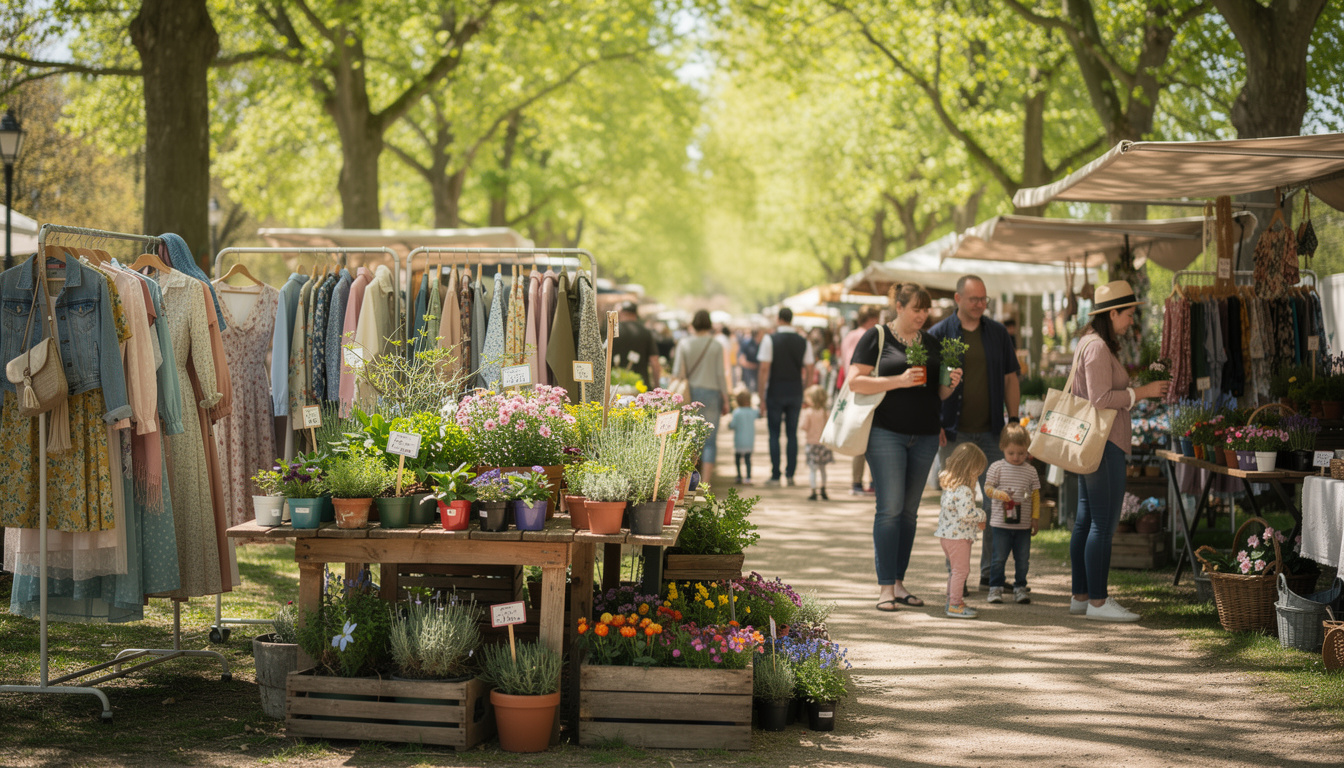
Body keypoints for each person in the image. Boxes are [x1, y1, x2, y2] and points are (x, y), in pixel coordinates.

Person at [849, 284, 963, 612]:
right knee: (890, 509)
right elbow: (855, 381)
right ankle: (885, 587)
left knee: (910, 513)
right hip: (886, 433)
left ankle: (899, 583)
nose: (922, 315)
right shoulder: (877, 337)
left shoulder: (931, 343)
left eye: (926, 310)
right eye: (916, 309)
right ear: (898, 307)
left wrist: (948, 385)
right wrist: (897, 380)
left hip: (926, 435)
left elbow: (935, 395)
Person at [1069, 281, 1169, 622]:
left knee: (1086, 521)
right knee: (1103, 524)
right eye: (1128, 314)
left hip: (1092, 443)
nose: (1131, 321)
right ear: (1111, 313)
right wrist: (1141, 392)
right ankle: (1098, 602)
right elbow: (1099, 400)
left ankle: (1081, 596)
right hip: (1104, 442)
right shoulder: (1097, 348)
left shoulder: (1088, 343)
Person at [930, 274, 1021, 592]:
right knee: (956, 503)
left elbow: (1011, 378)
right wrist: (935, 419)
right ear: (958, 299)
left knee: (997, 503)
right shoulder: (940, 334)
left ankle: (991, 573)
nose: (981, 304)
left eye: (984, 299)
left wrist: (1014, 421)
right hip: (953, 435)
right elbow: (929, 383)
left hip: (993, 433)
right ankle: (957, 575)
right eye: (974, 299)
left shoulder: (997, 333)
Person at [983, 423, 1041, 605]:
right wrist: (999, 494)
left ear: (1027, 451)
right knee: (998, 558)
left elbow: (1035, 495)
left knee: (1023, 559)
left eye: (1021, 453)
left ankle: (1020, 587)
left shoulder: (1030, 471)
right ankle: (995, 588)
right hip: (1001, 524)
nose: (1016, 457)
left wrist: (1035, 518)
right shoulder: (996, 467)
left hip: (1023, 525)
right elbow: (988, 488)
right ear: (1002, 448)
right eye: (1011, 453)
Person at [673, 310, 732, 484]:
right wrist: (726, 399)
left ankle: (690, 482)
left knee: (691, 437)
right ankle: (705, 483)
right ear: (709, 324)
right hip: (713, 393)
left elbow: (678, 372)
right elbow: (721, 374)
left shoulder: (684, 344)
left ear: (693, 324)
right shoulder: (716, 345)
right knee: (710, 440)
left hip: (690, 393)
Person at [758, 307, 814, 486]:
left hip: (775, 390)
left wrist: (761, 396)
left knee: (774, 434)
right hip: (795, 390)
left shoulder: (770, 339)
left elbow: (764, 368)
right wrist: (806, 390)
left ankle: (775, 475)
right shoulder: (803, 341)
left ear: (778, 319)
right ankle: (790, 474)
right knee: (792, 434)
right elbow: (810, 367)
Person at [935, 442, 988, 619]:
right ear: (970, 468)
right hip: (958, 539)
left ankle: (952, 599)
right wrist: (981, 515)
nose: (979, 475)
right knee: (961, 571)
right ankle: (955, 604)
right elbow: (967, 514)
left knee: (955, 570)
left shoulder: (950, 488)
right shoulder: (964, 490)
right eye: (977, 470)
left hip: (948, 537)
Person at [840, 305, 882, 495]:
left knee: (860, 435)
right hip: (866, 390)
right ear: (871, 318)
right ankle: (870, 481)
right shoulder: (868, 336)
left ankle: (857, 482)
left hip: (852, 391)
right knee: (869, 437)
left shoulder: (849, 335)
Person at [610, 301, 661, 390]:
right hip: (641, 386)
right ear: (635, 314)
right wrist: (657, 385)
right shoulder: (646, 331)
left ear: (621, 313)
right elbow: (654, 360)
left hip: (615, 386)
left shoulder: (612, 332)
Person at [799, 384, 833, 501]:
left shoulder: (808, 413)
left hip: (812, 444)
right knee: (823, 469)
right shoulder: (825, 413)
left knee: (813, 469)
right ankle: (823, 488)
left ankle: (813, 490)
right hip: (823, 445)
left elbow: (803, 426)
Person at [728, 389, 758, 484]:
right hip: (749, 440)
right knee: (748, 460)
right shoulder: (752, 412)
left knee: (738, 459)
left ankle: (739, 476)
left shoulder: (737, 412)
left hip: (739, 441)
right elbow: (759, 413)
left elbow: (732, 425)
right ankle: (748, 477)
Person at [738, 327, 761, 398]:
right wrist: (755, 366)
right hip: (749, 373)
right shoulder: (746, 343)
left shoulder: (761, 344)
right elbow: (742, 361)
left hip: (758, 373)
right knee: (750, 391)